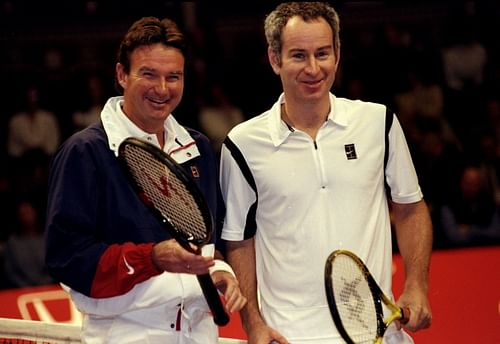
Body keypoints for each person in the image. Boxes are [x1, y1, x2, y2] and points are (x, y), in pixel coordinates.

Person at [219, 3, 432, 343]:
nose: (313, 68)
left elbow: (410, 208)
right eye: (299, 55)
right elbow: (239, 240)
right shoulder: (242, 144)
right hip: (291, 335)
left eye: (322, 53)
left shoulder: (379, 122)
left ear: (337, 53)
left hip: (378, 331)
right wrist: (252, 323)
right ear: (275, 59)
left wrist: (417, 285)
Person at [45, 16, 246, 344]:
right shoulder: (85, 152)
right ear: (122, 75)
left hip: (199, 333)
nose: (163, 89)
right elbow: (68, 258)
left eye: (174, 77)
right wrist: (152, 257)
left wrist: (222, 273)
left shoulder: (198, 149)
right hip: (124, 333)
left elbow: (211, 244)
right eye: (149, 74)